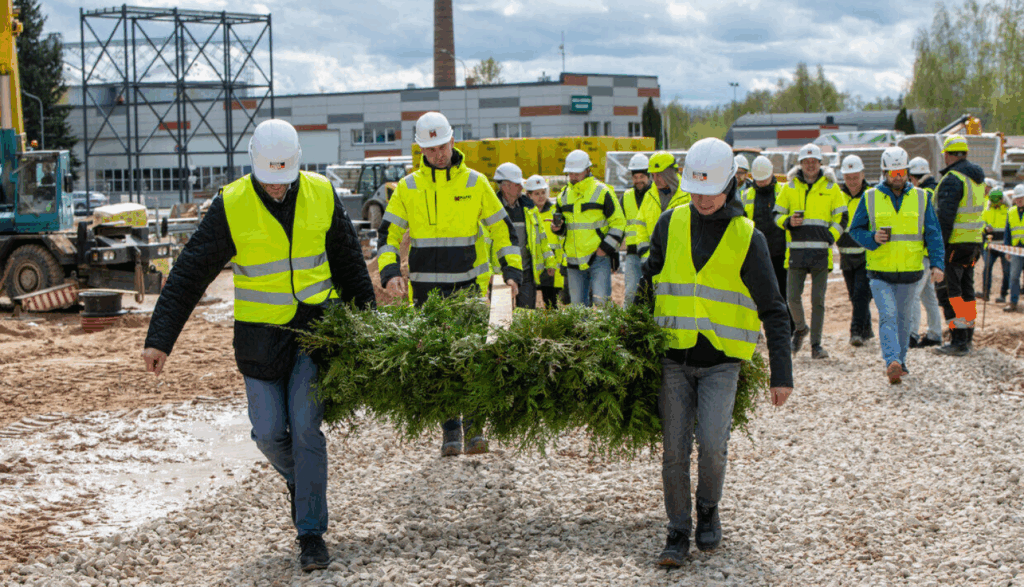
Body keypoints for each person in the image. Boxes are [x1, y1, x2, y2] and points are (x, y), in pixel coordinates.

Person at [141, 119, 376, 572]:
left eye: (282, 178)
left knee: (306, 427)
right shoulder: (231, 204)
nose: (275, 186)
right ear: (253, 166)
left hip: (315, 333)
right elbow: (190, 274)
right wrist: (159, 340)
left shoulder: (322, 193)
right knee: (268, 434)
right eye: (268, 177)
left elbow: (349, 265)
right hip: (259, 340)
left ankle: (311, 535)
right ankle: (302, 482)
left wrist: (369, 331)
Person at [641, 137, 792, 566]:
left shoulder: (749, 237)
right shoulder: (669, 223)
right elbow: (648, 283)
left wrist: (781, 373)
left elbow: (775, 310)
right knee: (673, 450)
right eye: (695, 190)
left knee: (711, 445)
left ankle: (708, 508)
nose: (703, 199)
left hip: (722, 363)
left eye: (711, 191)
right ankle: (677, 529)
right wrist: (631, 343)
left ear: (730, 184)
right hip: (673, 358)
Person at [379, 111, 522, 455]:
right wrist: (389, 271)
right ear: (420, 150)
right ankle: (450, 433)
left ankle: (475, 429)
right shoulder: (409, 187)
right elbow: (388, 233)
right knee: (438, 363)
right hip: (426, 294)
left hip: (468, 289)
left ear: (453, 141)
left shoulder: (474, 183)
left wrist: (512, 271)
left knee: (473, 358)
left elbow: (502, 229)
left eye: (442, 146)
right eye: (430, 150)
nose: (437, 155)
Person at [849, 147, 945, 384]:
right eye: (893, 172)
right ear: (884, 172)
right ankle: (891, 359)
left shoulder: (922, 197)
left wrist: (937, 264)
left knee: (904, 320)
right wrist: (872, 238)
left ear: (907, 171)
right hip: (880, 272)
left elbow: (933, 234)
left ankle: (900, 362)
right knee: (888, 315)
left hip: (911, 272)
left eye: (901, 171)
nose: (898, 176)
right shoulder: (870, 197)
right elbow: (855, 230)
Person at [774, 143, 847, 359]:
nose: (810, 165)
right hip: (796, 253)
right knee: (792, 298)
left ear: (820, 163)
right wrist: (788, 222)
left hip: (820, 254)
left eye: (813, 161)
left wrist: (830, 236)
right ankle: (800, 329)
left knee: (818, 301)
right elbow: (776, 216)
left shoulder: (832, 188)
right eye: (806, 162)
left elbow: (842, 217)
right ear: (801, 164)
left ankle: (816, 345)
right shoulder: (789, 188)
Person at [551, 149, 626, 306]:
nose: (573, 177)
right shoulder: (563, 196)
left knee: (601, 304)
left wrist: (604, 249)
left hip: (598, 258)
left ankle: (602, 331)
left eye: (577, 173)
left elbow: (619, 222)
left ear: (587, 169)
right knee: (578, 308)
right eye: (570, 173)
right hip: (573, 261)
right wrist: (558, 229)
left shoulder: (602, 192)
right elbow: (566, 228)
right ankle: (581, 332)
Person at [933, 135, 986, 356]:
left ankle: (958, 340)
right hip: (973, 243)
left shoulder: (953, 179)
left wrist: (938, 249)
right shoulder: (976, 178)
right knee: (967, 290)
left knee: (952, 292)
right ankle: (967, 337)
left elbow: (945, 219)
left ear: (948, 154)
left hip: (954, 243)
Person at [495, 163, 556, 309]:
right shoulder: (492, 209)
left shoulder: (529, 208)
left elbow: (541, 237)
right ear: (505, 186)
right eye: (517, 184)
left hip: (526, 273)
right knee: (503, 318)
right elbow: (485, 243)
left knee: (527, 316)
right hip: (502, 273)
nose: (522, 188)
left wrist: (550, 262)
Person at [743, 155, 792, 332]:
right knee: (761, 294)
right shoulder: (747, 195)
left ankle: (789, 328)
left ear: (772, 174)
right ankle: (762, 330)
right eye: (759, 180)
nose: (762, 183)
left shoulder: (783, 191)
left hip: (781, 252)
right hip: (758, 254)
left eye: (764, 179)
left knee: (783, 294)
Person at [837, 155, 874, 346]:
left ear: (862, 174)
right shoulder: (838, 195)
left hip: (866, 254)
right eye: (848, 177)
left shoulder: (871, 195)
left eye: (855, 177)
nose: (852, 181)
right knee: (855, 296)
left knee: (861, 294)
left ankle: (856, 332)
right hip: (845, 254)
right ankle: (867, 329)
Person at [907, 157, 944, 348]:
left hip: (922, 251)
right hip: (930, 251)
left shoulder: (921, 194)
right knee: (928, 295)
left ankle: (911, 334)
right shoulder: (935, 189)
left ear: (914, 177)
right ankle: (935, 333)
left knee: (913, 293)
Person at [635, 152, 691, 259]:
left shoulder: (689, 194)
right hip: (655, 262)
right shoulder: (649, 196)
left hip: (683, 261)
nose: (655, 180)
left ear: (669, 173)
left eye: (659, 175)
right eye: (653, 175)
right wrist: (645, 254)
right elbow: (641, 226)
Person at [526, 174, 564, 308]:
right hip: (532, 263)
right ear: (529, 195)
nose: (541, 196)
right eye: (537, 193)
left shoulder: (555, 211)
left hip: (550, 264)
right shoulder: (526, 213)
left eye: (543, 192)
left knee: (551, 302)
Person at [622, 153, 652, 306]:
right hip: (633, 253)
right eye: (635, 177)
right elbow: (619, 223)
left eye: (641, 176)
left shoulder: (656, 195)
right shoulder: (627, 197)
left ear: (648, 176)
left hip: (653, 252)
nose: (638, 180)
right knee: (631, 293)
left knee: (653, 293)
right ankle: (627, 327)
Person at [980, 188, 1011, 303]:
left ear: (1002, 200)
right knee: (987, 269)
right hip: (990, 246)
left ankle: (1003, 294)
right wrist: (985, 228)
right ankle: (985, 293)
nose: (995, 205)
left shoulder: (1008, 211)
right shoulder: (987, 210)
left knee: (1007, 271)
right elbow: (981, 223)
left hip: (1004, 247)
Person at [1004, 185, 1024, 312]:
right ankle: (1013, 302)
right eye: (1017, 198)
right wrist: (1007, 249)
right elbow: (1008, 232)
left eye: (1021, 197)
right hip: (1016, 248)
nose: (1019, 200)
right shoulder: (1011, 212)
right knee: (1014, 276)